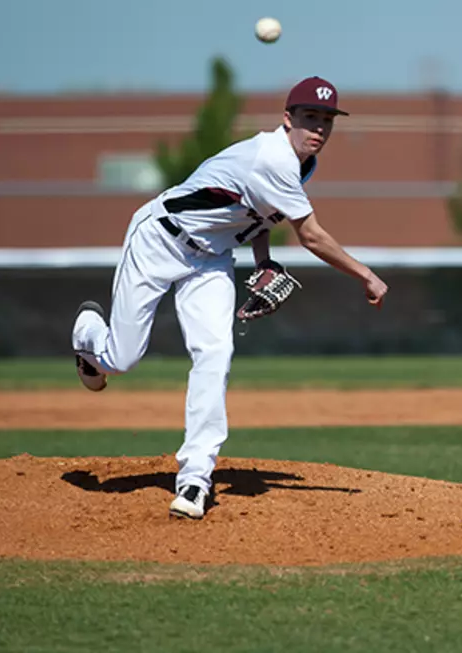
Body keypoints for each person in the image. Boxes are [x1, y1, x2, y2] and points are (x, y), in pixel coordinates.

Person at [70, 76, 389, 520]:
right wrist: (366, 275)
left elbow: (260, 215)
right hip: (159, 240)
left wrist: (263, 262)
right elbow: (312, 237)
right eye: (310, 117)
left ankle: (195, 479)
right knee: (121, 359)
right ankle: (87, 333)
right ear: (287, 118)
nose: (319, 128)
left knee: (215, 352)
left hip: (212, 259)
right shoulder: (272, 159)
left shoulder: (302, 165)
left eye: (327, 119)